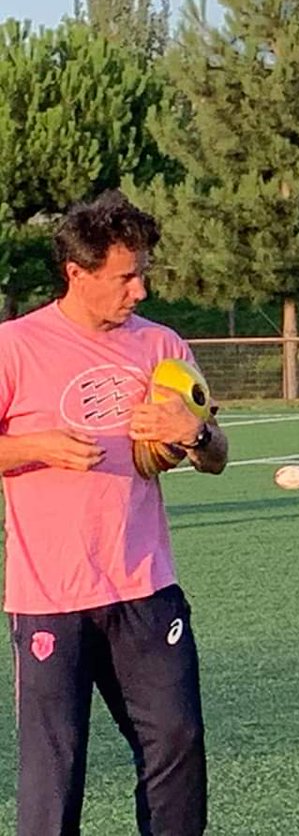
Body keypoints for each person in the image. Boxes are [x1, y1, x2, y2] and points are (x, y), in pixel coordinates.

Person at [0, 191, 228, 836]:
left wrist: (195, 432)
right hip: (50, 596)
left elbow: (216, 454)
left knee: (177, 743)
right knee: (55, 764)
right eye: (125, 276)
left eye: (143, 271)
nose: (140, 290)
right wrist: (32, 446)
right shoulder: (14, 347)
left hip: (145, 587)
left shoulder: (162, 345)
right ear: (77, 273)